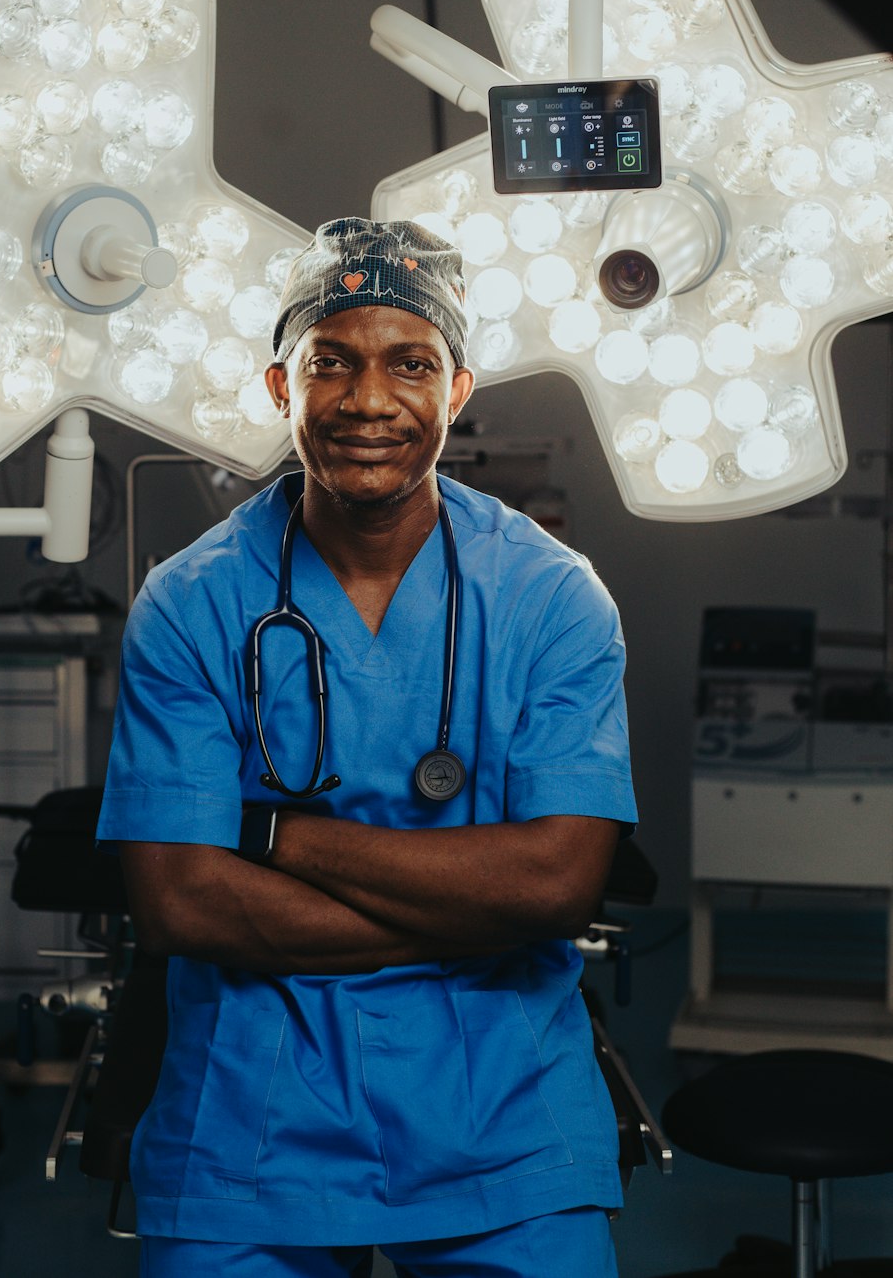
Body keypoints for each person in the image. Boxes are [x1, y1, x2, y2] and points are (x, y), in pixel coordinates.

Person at [96, 217, 639, 1278]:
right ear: (279, 386)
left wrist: (274, 835)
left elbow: (556, 887)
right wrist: (471, 915)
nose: (369, 400)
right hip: (252, 1120)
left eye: (411, 363)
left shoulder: (548, 598)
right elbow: (178, 903)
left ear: (458, 389)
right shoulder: (193, 603)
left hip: (501, 1117)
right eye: (331, 361)